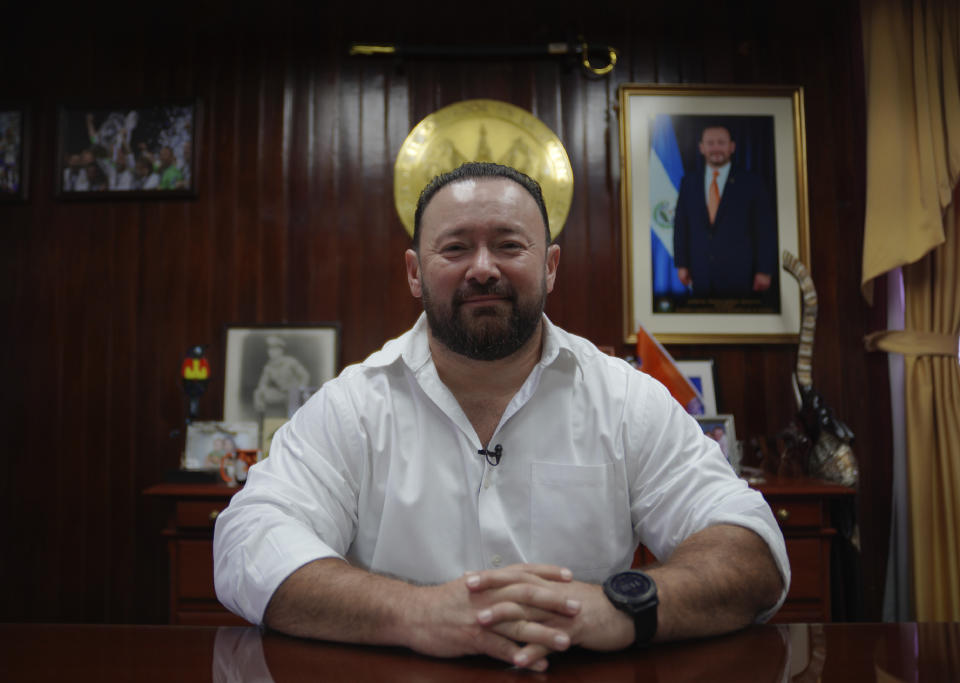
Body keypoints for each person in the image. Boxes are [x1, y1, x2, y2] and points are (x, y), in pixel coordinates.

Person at [214, 162, 789, 672]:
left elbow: (751, 548)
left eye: (509, 245)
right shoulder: (353, 405)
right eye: (456, 247)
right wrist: (417, 613)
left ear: (550, 266)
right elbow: (248, 541)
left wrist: (624, 607)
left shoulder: (625, 400)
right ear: (415, 272)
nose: (482, 269)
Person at [673, 124, 777, 298]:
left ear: (732, 147)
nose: (716, 148)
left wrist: (764, 270)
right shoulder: (688, 183)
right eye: (710, 143)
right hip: (700, 274)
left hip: (740, 276)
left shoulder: (751, 183)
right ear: (701, 148)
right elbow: (681, 226)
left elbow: (765, 230)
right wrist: (682, 264)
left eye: (721, 143)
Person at [251, 335, 310, 414]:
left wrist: (301, 388)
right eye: (270, 350)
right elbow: (262, 384)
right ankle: (262, 419)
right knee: (258, 393)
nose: (272, 352)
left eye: (275, 350)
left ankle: (294, 419)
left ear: (281, 351)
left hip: (296, 392)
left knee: (293, 412)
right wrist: (262, 390)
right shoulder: (268, 367)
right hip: (282, 393)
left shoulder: (291, 361)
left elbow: (305, 375)